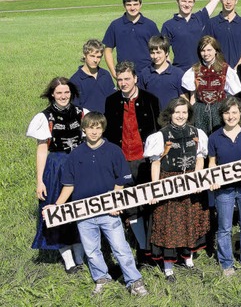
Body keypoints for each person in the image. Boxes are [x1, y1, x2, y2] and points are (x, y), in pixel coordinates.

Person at [47, 112, 148, 296]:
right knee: (92, 251)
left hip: (109, 211)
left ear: (103, 129)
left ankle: (134, 281)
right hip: (84, 213)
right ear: (83, 129)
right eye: (90, 128)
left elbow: (121, 180)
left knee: (120, 248)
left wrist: (115, 202)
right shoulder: (75, 154)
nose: (94, 132)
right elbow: (68, 186)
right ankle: (102, 280)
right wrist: (57, 205)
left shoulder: (113, 151)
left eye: (98, 127)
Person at [143, 98, 210, 282]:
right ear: (170, 114)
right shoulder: (160, 136)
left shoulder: (197, 133)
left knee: (189, 221)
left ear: (188, 114)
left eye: (184, 112)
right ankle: (169, 269)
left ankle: (188, 261)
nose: (181, 116)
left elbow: (200, 158)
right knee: (169, 224)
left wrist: (196, 180)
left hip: (189, 183)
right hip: (168, 183)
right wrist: (156, 189)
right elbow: (156, 163)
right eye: (177, 112)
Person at [26, 77, 85, 274]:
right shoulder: (45, 117)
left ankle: (80, 255)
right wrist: (40, 181)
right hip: (57, 166)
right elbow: (42, 150)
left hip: (78, 164)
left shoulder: (81, 113)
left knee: (80, 209)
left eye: (66, 92)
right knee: (57, 209)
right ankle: (68, 259)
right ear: (52, 94)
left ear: (71, 93)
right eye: (59, 92)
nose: (63, 96)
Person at [104, 61, 160, 261]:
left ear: (135, 78)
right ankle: (143, 248)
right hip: (122, 161)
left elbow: (157, 131)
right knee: (130, 205)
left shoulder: (150, 100)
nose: (123, 83)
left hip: (145, 160)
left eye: (127, 79)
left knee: (149, 202)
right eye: (120, 79)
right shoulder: (111, 101)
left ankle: (155, 247)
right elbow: (109, 134)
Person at [208, 97, 241, 276]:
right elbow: (212, 163)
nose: (231, 116)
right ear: (222, 115)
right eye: (227, 112)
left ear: (240, 114)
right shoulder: (214, 137)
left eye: (234, 112)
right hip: (224, 190)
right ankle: (226, 264)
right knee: (224, 227)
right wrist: (213, 179)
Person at [181, 35, 241, 135]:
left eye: (209, 50)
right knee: (201, 139)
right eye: (203, 50)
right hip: (200, 110)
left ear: (215, 51)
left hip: (219, 109)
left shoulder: (225, 69)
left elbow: (232, 94)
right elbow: (193, 97)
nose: (206, 53)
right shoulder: (195, 70)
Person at [161, 0, 219, 72]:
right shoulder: (168, 25)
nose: (187, 5)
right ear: (177, 2)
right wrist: (171, 70)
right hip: (181, 72)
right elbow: (163, 51)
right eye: (183, 1)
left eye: (190, 2)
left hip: (202, 70)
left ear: (193, 3)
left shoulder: (200, 17)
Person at [102, 0, 160, 76]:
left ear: (140, 5)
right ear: (124, 6)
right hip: (125, 75)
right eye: (129, 5)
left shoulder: (150, 25)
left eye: (135, 4)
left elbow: (160, 49)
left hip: (148, 74)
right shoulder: (115, 25)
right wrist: (114, 73)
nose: (132, 8)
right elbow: (108, 50)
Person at [209, 0, 241, 69]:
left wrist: (236, 69)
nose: (228, 2)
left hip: (239, 72)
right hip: (218, 71)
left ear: (236, 1)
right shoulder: (212, 23)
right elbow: (209, 49)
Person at [137, 35, 186, 110]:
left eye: (158, 52)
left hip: (172, 118)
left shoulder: (178, 74)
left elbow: (184, 99)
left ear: (166, 53)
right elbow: (141, 98)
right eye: (152, 53)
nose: (155, 56)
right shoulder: (144, 73)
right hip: (153, 117)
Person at [69, 39, 116, 113]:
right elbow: (74, 109)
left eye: (98, 57)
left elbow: (113, 99)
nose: (95, 60)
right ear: (84, 55)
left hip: (107, 120)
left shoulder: (105, 75)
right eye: (92, 56)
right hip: (88, 122)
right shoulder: (76, 80)